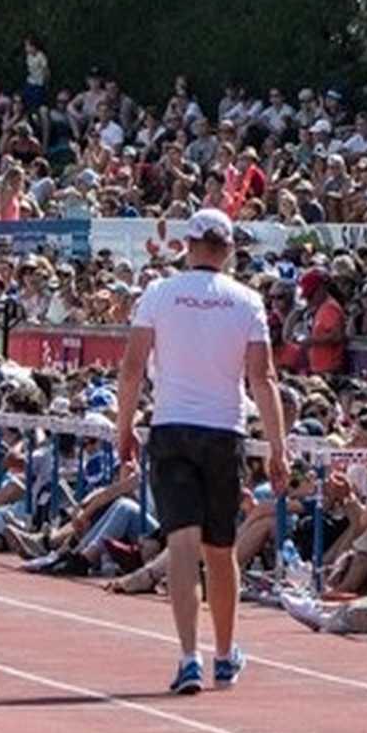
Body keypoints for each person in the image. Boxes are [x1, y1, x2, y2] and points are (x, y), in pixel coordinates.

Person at [115, 207, 280, 696]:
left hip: (171, 426)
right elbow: (263, 378)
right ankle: (224, 655)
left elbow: (130, 369)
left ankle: (190, 656)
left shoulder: (159, 294)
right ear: (228, 250)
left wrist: (123, 428)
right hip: (222, 430)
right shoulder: (246, 301)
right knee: (220, 549)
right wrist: (278, 447)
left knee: (182, 544)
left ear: (186, 246)